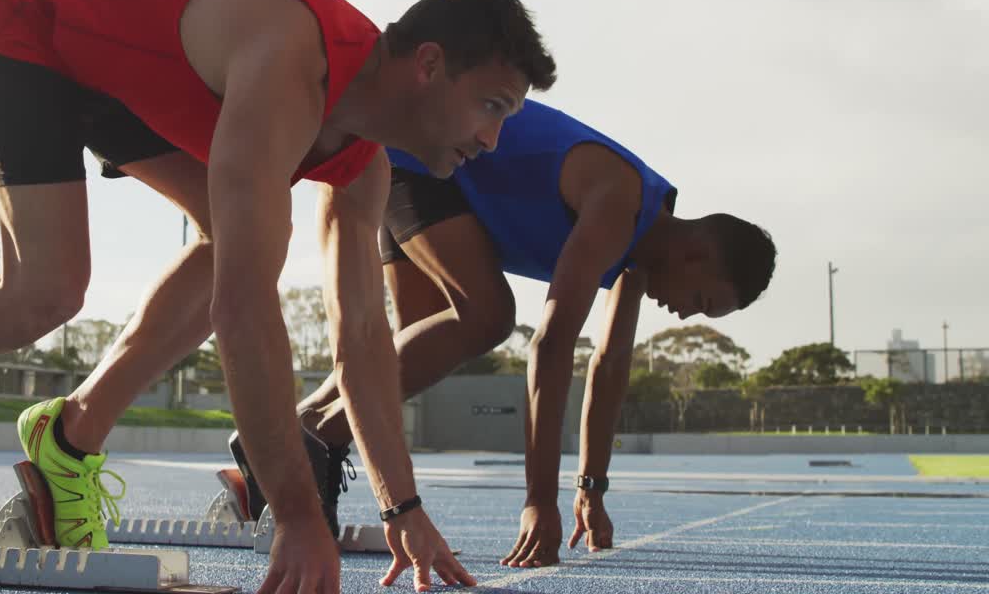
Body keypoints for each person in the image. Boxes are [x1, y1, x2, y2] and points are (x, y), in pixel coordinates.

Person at [0, 0, 556, 593]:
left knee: (235, 241)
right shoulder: (291, 64)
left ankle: (70, 438)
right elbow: (244, 310)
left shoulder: (364, 165)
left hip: (125, 65)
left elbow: (361, 343)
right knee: (46, 290)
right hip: (29, 10)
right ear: (426, 65)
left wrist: (403, 509)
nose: (491, 140)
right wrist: (294, 513)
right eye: (492, 107)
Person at [283, 99, 776, 567]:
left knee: (420, 345)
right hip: (427, 155)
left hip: (449, 188)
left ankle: (282, 443)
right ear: (697, 256)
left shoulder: (640, 257)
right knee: (488, 315)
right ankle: (315, 437)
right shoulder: (620, 203)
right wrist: (540, 501)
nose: (686, 316)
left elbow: (608, 367)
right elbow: (553, 345)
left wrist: (591, 486)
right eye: (702, 303)